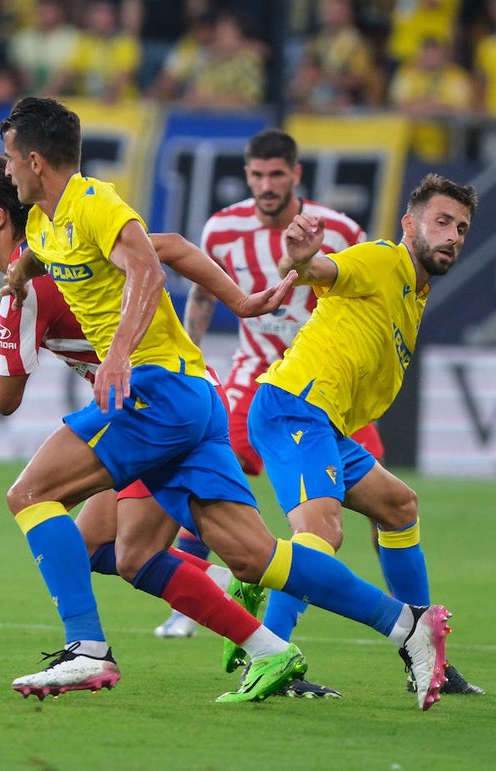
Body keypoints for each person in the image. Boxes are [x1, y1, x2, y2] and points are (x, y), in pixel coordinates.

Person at [0, 96, 453, 710]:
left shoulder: (94, 201)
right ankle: (402, 626)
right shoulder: (43, 225)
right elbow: (175, 247)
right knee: (254, 556)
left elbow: (150, 270)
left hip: (154, 389)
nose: (6, 173)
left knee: (30, 495)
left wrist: (119, 353)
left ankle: (87, 648)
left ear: (34, 159)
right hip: (196, 397)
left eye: (9, 159)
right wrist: (20, 274)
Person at [0, 149, 335, 700]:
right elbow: (174, 247)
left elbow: (5, 397)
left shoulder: (30, 288)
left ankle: (90, 648)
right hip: (174, 393)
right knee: (103, 552)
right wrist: (240, 302)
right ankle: (268, 646)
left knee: (43, 502)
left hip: (151, 406)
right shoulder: (60, 248)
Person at [246, 171, 483, 704]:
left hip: (323, 423)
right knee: (320, 533)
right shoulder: (381, 259)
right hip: (294, 407)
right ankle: (270, 658)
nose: (452, 236)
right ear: (409, 224)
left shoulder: (414, 292)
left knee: (399, 506)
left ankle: (426, 655)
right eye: (442, 222)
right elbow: (315, 269)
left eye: (462, 228)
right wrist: (301, 257)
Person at [154, 129, 377, 654]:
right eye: (257, 174)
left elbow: (368, 295)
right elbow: (205, 296)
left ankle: (403, 606)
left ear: (295, 175)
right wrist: (191, 357)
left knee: (382, 506)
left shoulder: (340, 229)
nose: (266, 184)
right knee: (210, 477)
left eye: (277, 174)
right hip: (253, 378)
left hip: (326, 384)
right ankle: (193, 604)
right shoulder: (224, 228)